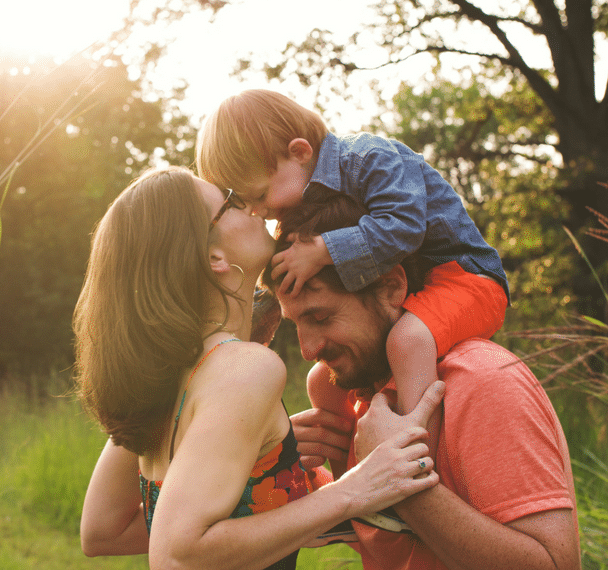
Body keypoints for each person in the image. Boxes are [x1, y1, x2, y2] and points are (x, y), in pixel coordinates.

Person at [74, 166, 443, 570]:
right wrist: (355, 490)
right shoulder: (244, 368)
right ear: (214, 257)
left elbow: (104, 529)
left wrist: (268, 466)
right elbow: (177, 554)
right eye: (230, 203)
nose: (251, 206)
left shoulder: (174, 371)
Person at [269, 191, 581, 570]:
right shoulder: (352, 394)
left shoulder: (482, 382)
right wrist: (286, 467)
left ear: (391, 287)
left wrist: (398, 479)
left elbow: (557, 564)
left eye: (321, 318)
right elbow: (398, 542)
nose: (306, 349)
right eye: (295, 322)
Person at [196, 88, 510, 462]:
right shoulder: (303, 201)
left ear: (299, 152)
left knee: (408, 340)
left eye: (260, 196)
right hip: (413, 288)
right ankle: (355, 490)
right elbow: (285, 287)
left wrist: (322, 249)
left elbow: (405, 225)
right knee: (320, 382)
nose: (259, 213)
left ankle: (418, 462)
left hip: (465, 275)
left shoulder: (368, 158)